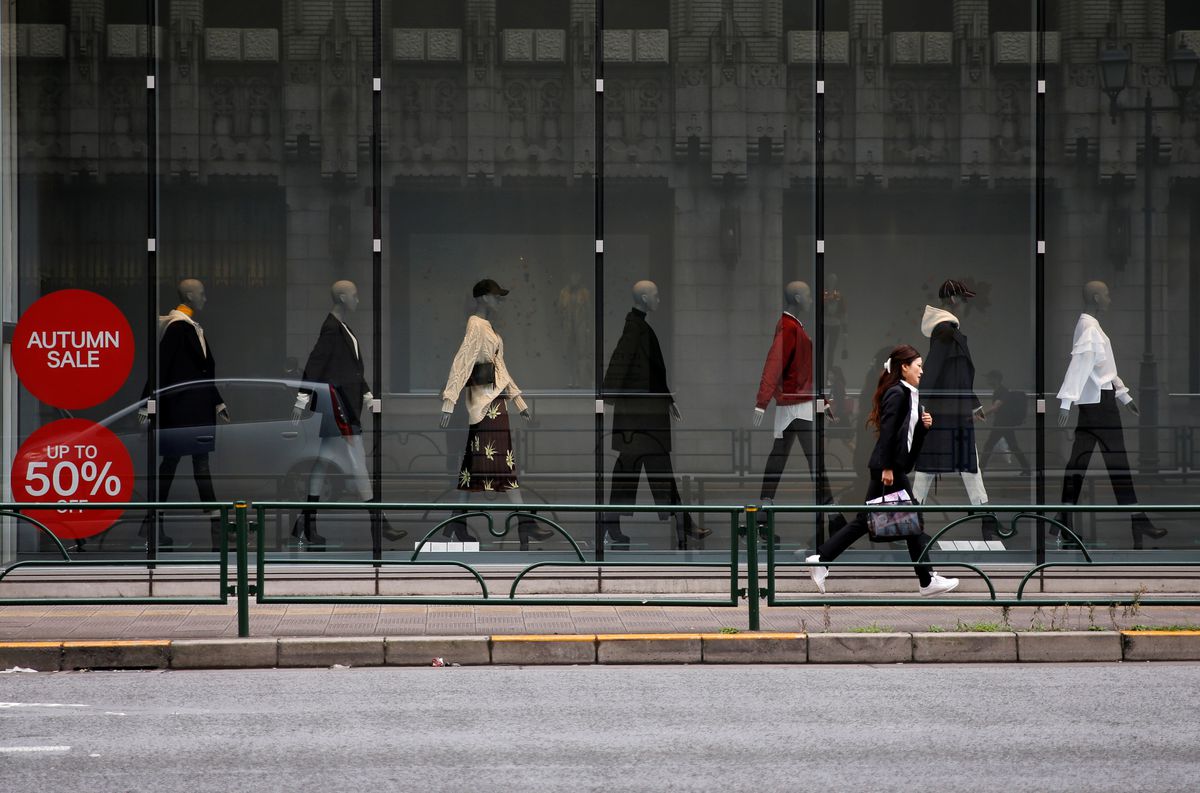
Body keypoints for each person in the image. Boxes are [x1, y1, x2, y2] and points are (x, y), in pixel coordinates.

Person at [802, 344, 959, 596]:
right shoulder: (897, 393)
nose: (922, 371)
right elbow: (887, 432)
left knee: (869, 521)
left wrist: (923, 428)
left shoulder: (907, 392)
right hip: (889, 470)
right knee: (912, 522)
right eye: (918, 366)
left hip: (893, 468)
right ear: (904, 367)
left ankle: (822, 559)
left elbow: (905, 438)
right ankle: (927, 580)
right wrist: (887, 466)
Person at [978, 369, 1030, 474]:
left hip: (1002, 424)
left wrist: (977, 417)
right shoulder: (1000, 391)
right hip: (1004, 423)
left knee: (989, 445)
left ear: (996, 379)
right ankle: (1026, 468)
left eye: (990, 378)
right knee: (1013, 445)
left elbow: (995, 407)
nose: (988, 380)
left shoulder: (1002, 391)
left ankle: (980, 471)